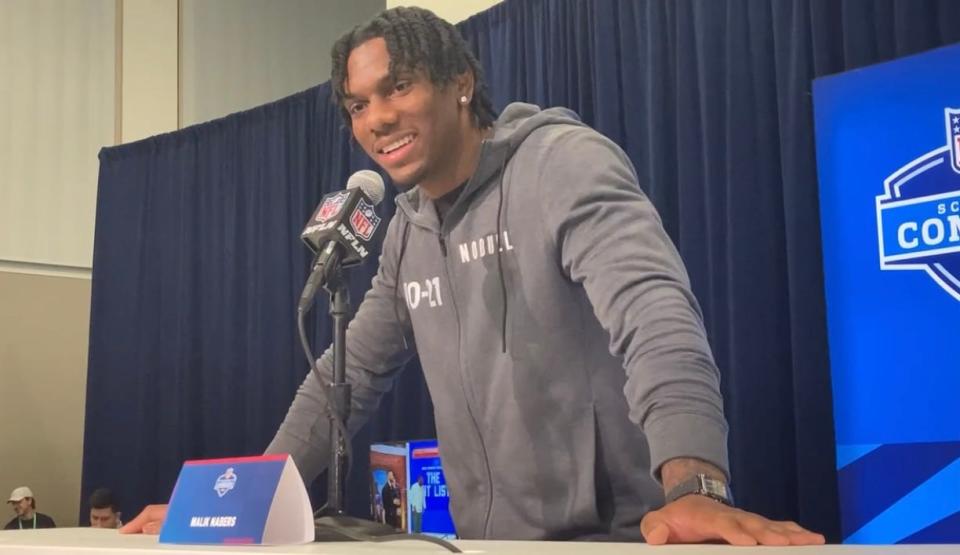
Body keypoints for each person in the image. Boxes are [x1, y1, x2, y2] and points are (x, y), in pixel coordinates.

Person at [123, 7, 825, 545]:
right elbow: (344, 378)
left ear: (461, 83)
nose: (377, 119)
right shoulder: (408, 228)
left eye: (396, 87)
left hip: (625, 538)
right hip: (489, 546)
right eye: (358, 105)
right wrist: (235, 502)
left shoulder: (561, 163)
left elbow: (655, 312)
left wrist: (695, 483)